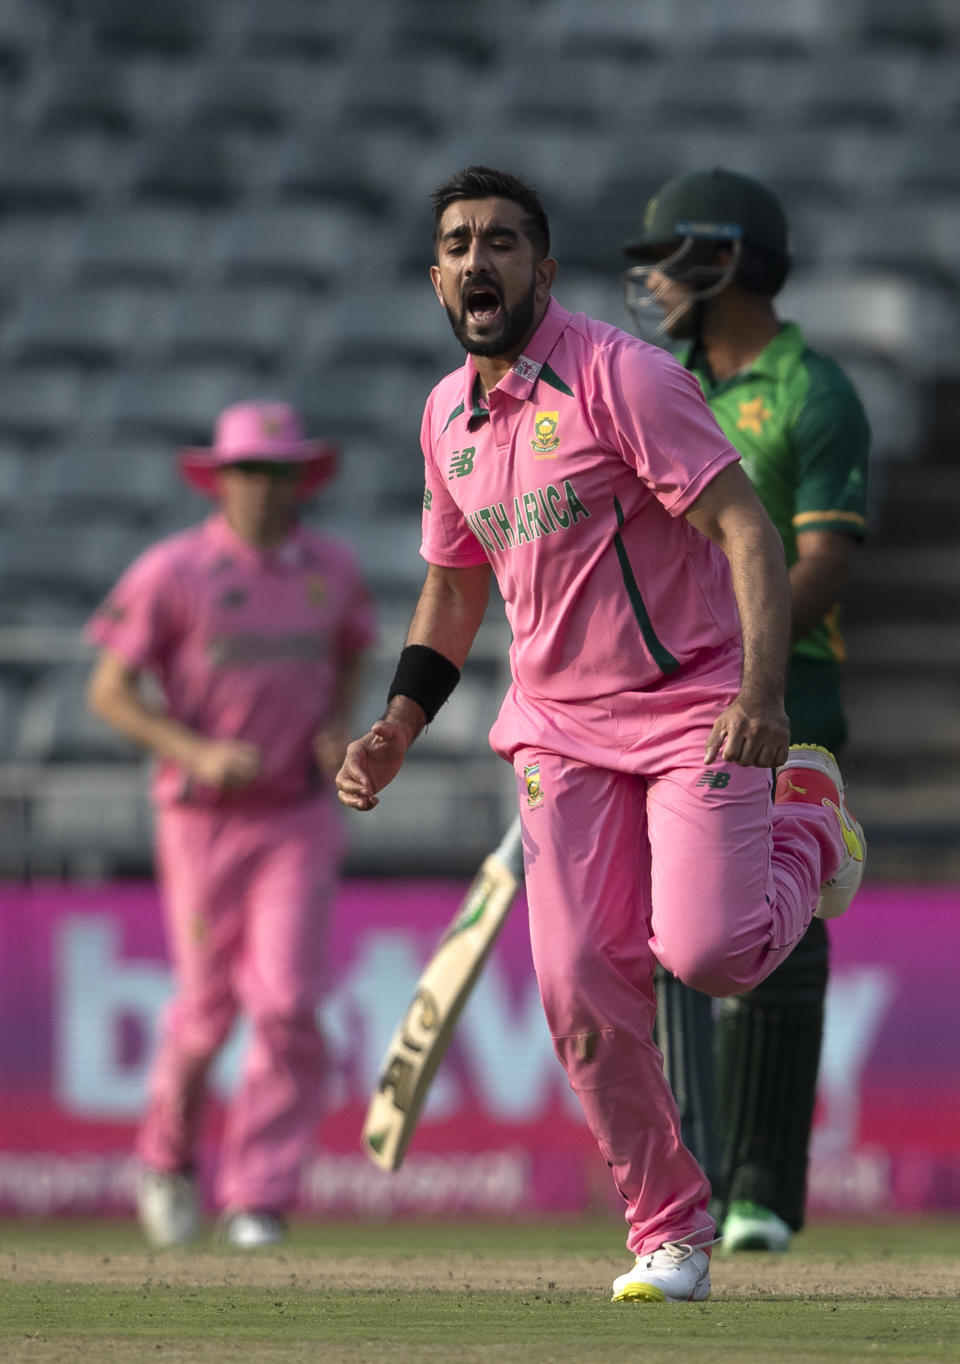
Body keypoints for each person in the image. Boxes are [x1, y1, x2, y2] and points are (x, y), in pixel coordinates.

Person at [335, 165, 865, 1304]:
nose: (480, 261)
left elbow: (748, 533)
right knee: (577, 989)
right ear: (437, 276)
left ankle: (810, 824)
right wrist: (397, 721)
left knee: (709, 953)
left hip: (692, 712)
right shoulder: (444, 417)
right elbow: (453, 588)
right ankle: (671, 1228)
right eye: (460, 244)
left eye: (504, 242)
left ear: (545, 268)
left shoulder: (625, 377)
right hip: (559, 737)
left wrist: (766, 698)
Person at [621, 168, 870, 1254]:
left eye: (671, 257)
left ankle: (762, 1183)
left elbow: (820, 556)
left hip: (788, 687)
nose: (654, 280)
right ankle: (701, 1179)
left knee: (776, 917)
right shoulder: (648, 382)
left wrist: (746, 660)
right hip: (660, 696)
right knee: (671, 936)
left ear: (727, 260)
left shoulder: (811, 391)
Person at [86, 400, 376, 1249]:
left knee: (287, 1003)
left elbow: (355, 649)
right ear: (220, 479)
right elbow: (108, 690)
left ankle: (259, 1196)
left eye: (279, 473)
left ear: (301, 481)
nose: (264, 489)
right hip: (203, 818)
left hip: (296, 814)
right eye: (250, 472)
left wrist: (336, 724)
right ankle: (166, 1158)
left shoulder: (332, 569)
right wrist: (193, 752)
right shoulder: (172, 572)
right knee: (206, 1013)